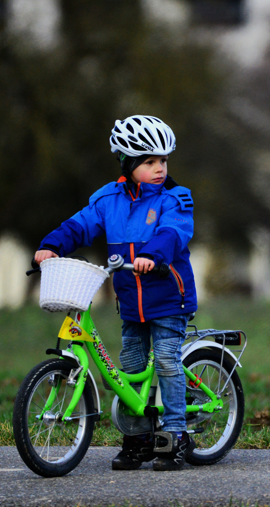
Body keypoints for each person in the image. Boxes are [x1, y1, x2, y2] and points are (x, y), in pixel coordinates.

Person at [33, 115, 198, 472]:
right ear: (127, 163)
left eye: (163, 161)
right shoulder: (108, 199)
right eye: (149, 162)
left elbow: (174, 232)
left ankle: (176, 433)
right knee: (133, 366)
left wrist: (153, 256)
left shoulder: (175, 198)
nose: (159, 168)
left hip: (169, 297)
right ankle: (137, 439)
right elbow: (79, 225)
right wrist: (52, 245)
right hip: (130, 302)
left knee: (167, 361)